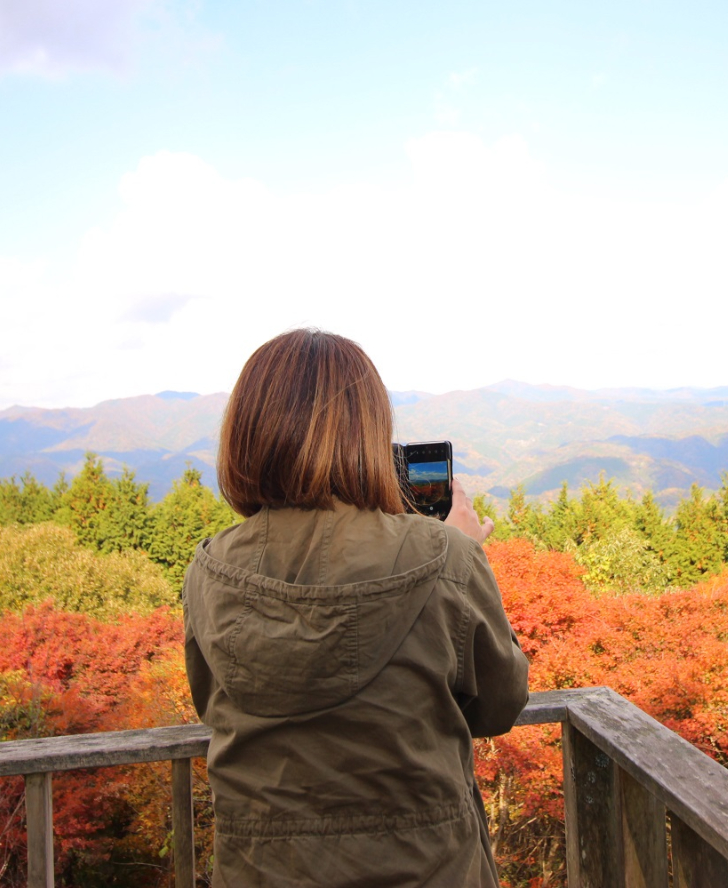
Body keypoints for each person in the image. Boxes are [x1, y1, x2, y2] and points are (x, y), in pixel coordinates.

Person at [183, 328, 530, 887]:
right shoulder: (444, 555)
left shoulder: (209, 568)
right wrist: (459, 550)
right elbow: (498, 706)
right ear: (371, 435)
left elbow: (214, 702)